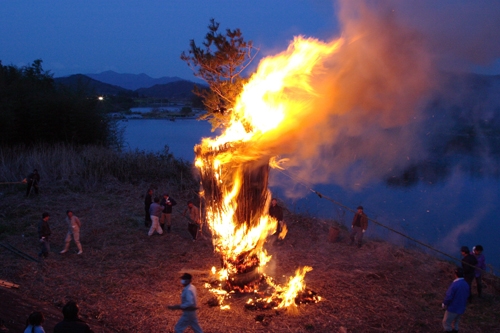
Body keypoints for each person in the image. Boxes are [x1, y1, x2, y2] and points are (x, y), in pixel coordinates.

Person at [442, 267, 469, 333]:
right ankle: (455, 330)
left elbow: (449, 296)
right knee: (456, 322)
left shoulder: (455, 285)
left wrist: (444, 303)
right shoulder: (466, 284)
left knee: (446, 322)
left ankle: (448, 331)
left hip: (453, 307)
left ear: (455, 274)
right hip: (461, 307)